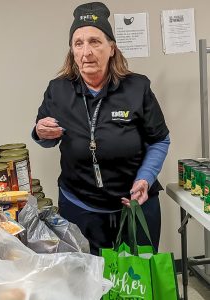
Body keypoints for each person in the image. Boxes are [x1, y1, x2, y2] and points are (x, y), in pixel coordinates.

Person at [32, 2, 170, 255]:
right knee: (88, 284)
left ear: (111, 48)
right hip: (80, 207)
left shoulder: (137, 88)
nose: (86, 52)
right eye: (78, 43)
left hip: (134, 205)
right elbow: (44, 135)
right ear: (71, 51)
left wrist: (145, 178)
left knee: (137, 288)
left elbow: (160, 140)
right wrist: (41, 132)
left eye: (95, 41)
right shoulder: (58, 89)